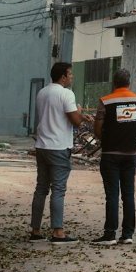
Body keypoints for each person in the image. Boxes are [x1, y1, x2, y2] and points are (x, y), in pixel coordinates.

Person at [29, 62, 84, 244]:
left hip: (42, 145)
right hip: (59, 146)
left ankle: (35, 230)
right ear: (63, 77)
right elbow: (75, 120)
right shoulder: (66, 94)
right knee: (58, 190)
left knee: (41, 188)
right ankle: (58, 232)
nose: (72, 77)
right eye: (70, 74)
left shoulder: (42, 92)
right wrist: (80, 112)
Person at [91, 68, 136, 246]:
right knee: (128, 194)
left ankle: (109, 234)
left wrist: (105, 137)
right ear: (129, 83)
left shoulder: (106, 101)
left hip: (110, 154)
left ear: (114, 83)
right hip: (130, 154)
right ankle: (128, 234)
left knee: (112, 195)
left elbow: (97, 128)